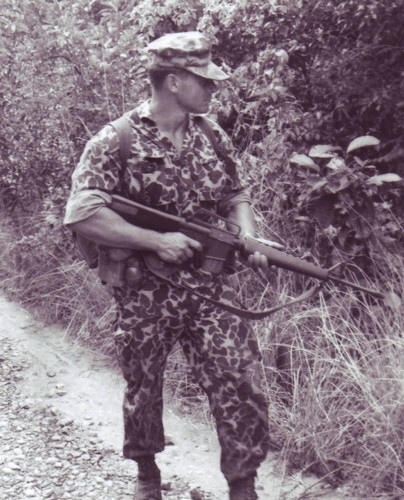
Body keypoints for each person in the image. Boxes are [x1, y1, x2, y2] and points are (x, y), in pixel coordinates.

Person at [64, 31, 270, 500]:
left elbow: (235, 193)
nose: (213, 89)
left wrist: (247, 234)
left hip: (211, 285)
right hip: (146, 291)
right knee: (144, 382)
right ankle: (146, 474)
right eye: (205, 80)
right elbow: (81, 211)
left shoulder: (212, 134)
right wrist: (154, 239)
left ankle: (243, 484)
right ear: (174, 81)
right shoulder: (115, 139)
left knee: (239, 376)